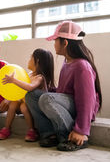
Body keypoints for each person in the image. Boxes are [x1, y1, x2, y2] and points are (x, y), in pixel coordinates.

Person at [25, 21, 102, 151]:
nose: (54, 44)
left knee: (46, 98)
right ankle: (50, 134)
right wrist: (47, 90)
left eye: (56, 40)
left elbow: (87, 100)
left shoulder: (82, 66)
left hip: (80, 110)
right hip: (67, 106)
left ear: (65, 43)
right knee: (31, 96)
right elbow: (63, 91)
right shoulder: (67, 63)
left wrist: (81, 130)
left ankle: (69, 137)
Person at [0, 48, 55, 142]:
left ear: (37, 61)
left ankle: (32, 130)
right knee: (13, 104)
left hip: (34, 107)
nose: (29, 60)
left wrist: (14, 80)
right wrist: (9, 99)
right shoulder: (30, 74)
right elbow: (19, 90)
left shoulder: (40, 78)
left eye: (31, 57)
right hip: (24, 101)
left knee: (23, 107)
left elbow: (30, 87)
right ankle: (6, 128)